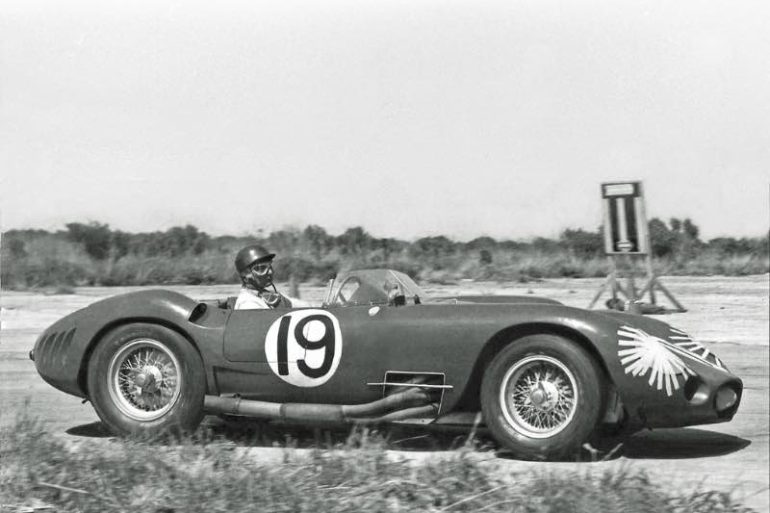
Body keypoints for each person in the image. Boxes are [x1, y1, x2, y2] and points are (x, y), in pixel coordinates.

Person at [233, 244, 305, 309]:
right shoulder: (247, 304)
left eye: (270, 267)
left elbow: (297, 305)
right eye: (261, 268)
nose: (270, 272)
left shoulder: (269, 295)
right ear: (246, 274)